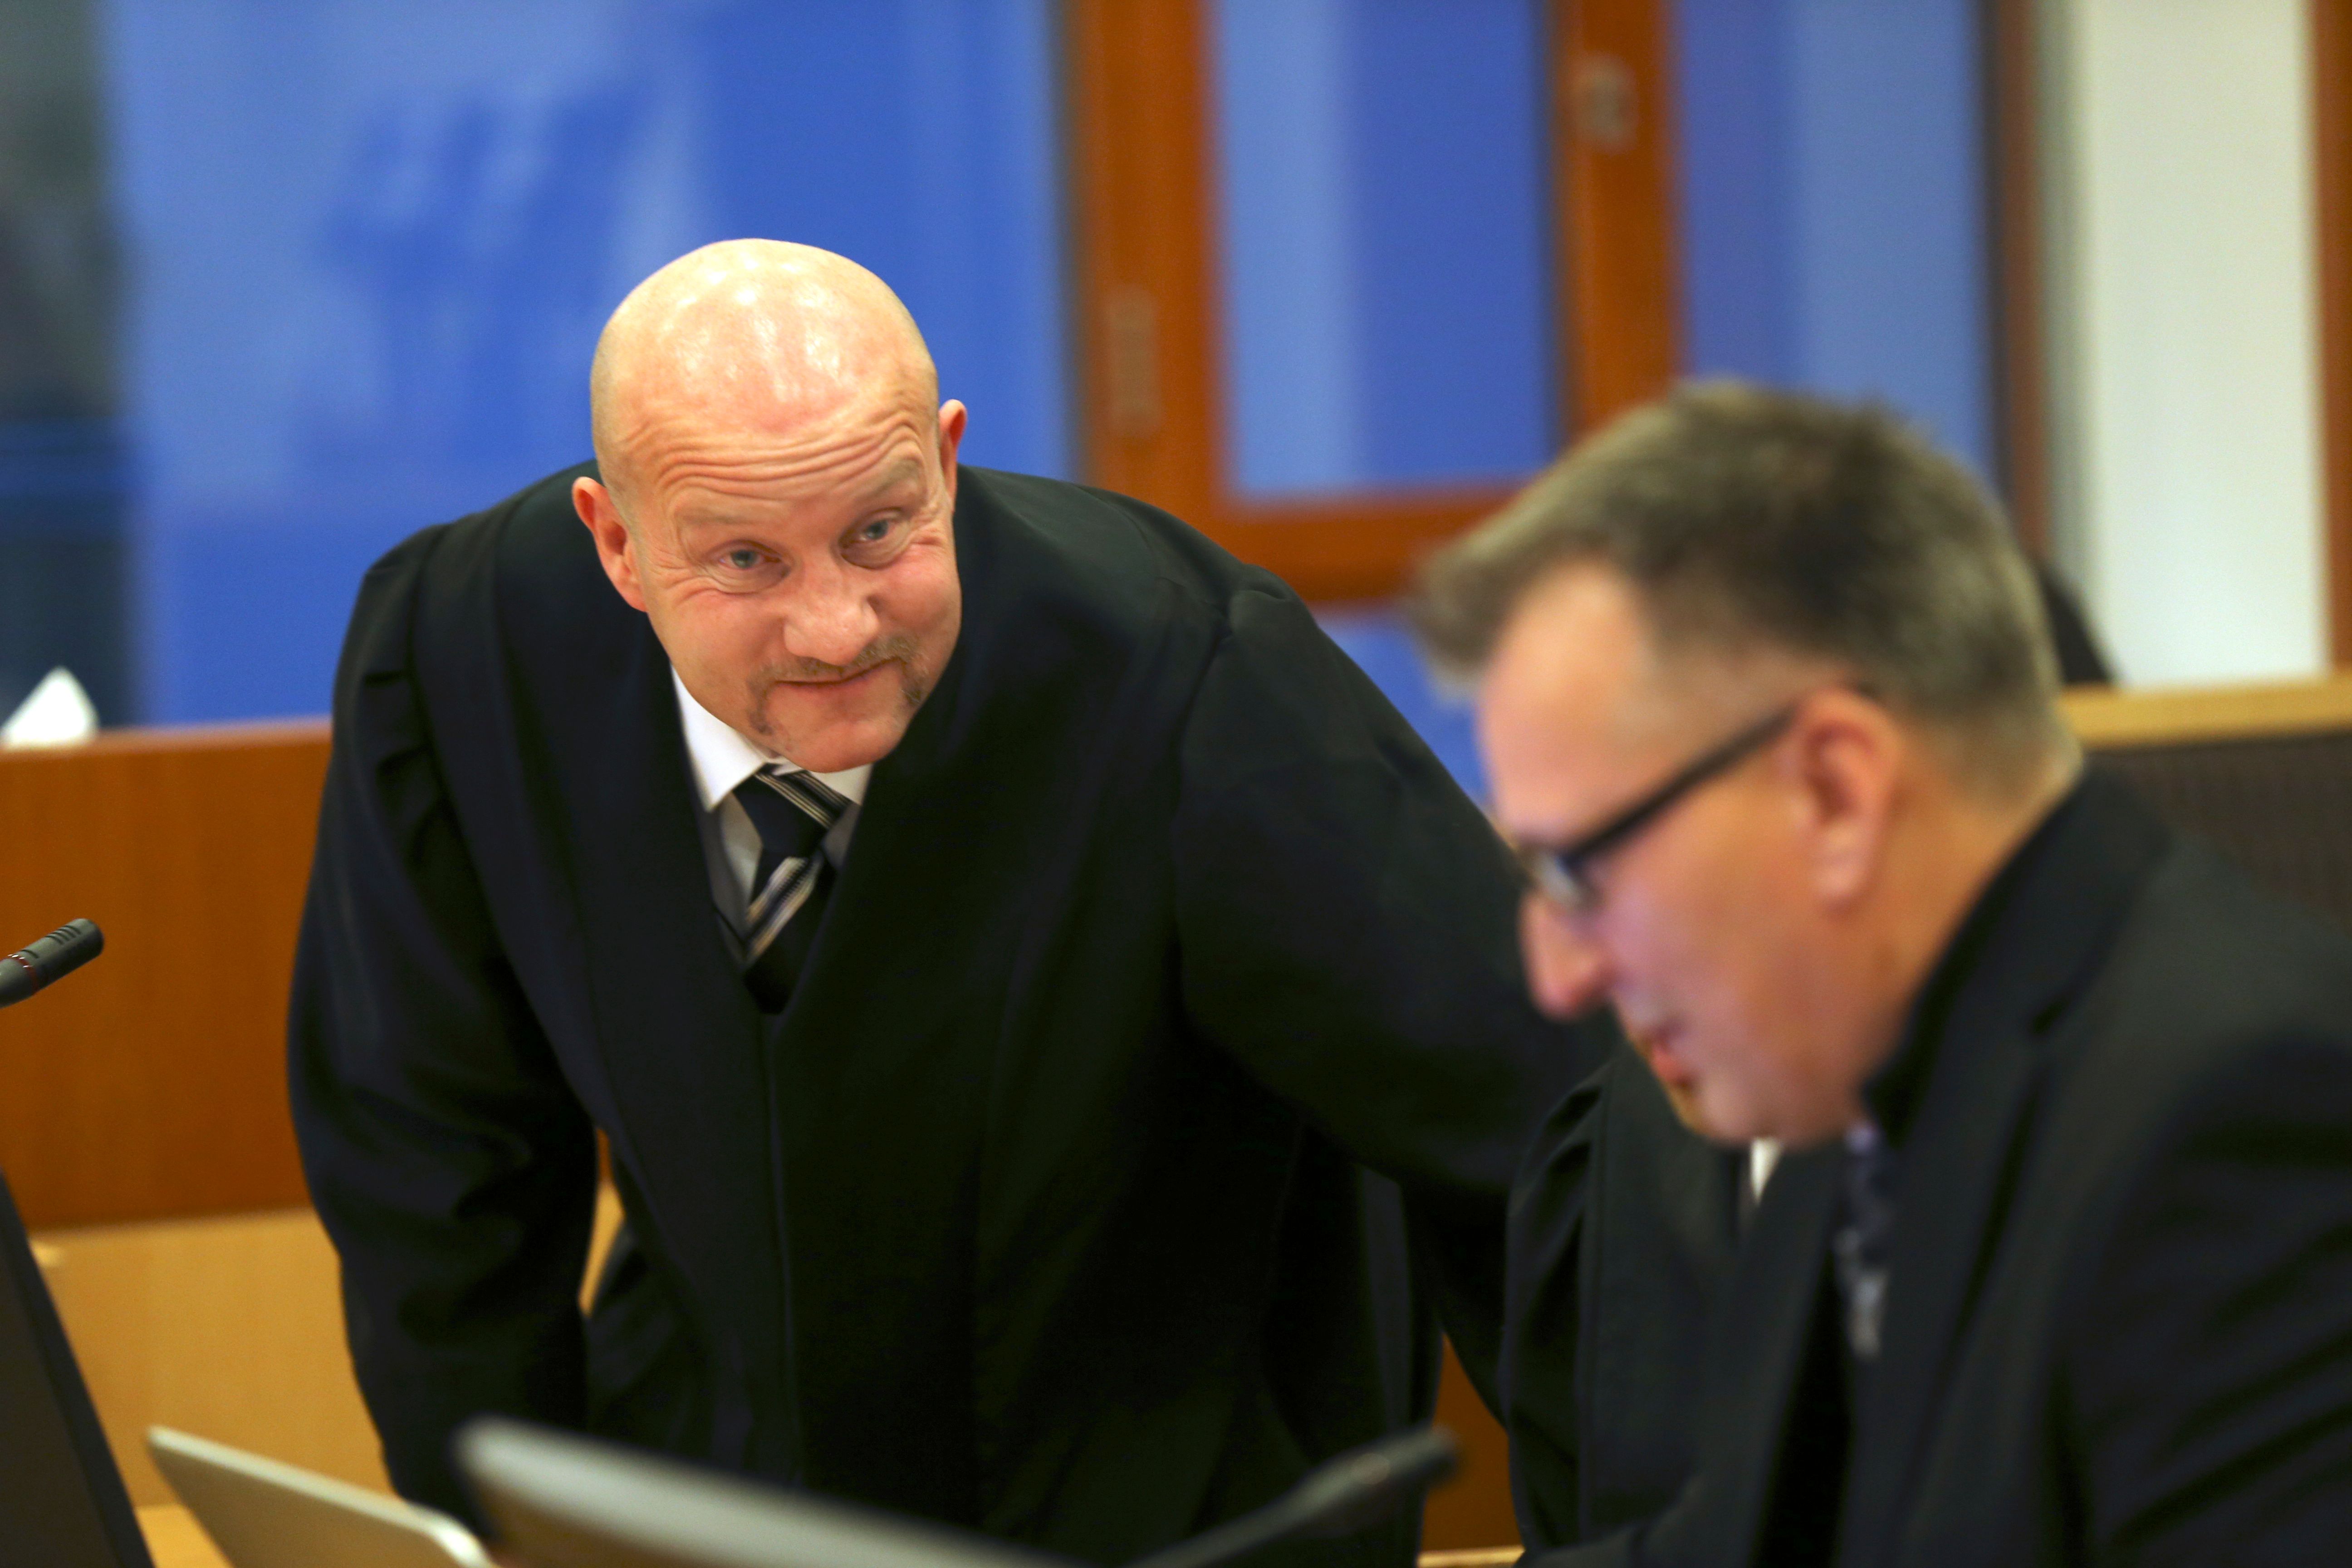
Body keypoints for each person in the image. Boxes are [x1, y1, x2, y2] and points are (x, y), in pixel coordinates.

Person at [288, 240, 1606, 1563]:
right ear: (617, 544)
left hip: (1166, 1509)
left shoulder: (1189, 673)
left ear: (947, 459)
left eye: (879, 531)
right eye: (746, 561)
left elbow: (1538, 1128)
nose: (838, 627)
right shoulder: (468, 653)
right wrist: (501, 1540)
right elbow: (430, 1166)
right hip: (712, 1497)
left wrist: (1626, 1541)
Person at [1412, 382, 2352, 1565]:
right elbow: (1751, 1548)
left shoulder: (2236, 1111)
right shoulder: (1865, 1073)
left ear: (1835, 791)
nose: (1561, 976)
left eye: (1580, 874)